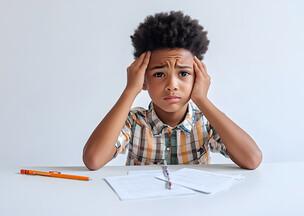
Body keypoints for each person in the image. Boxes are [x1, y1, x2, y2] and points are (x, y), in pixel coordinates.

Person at [83, 11, 262, 170]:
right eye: (159, 74)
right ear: (143, 80)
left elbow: (252, 159)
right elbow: (93, 159)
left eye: (183, 73)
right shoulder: (134, 122)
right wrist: (130, 90)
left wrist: (202, 99)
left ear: (197, 78)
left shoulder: (206, 122)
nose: (172, 85)